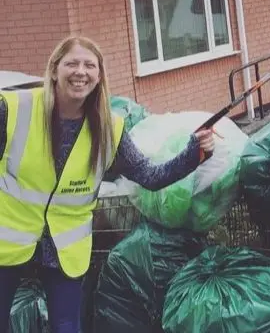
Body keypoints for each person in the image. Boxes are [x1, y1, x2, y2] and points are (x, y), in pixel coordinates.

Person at [0, 36, 217, 332]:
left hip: (65, 247)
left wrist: (196, 153)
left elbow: (150, 177)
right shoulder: (13, 109)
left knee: (67, 327)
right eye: (72, 63)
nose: (81, 71)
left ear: (99, 76)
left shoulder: (110, 128)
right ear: (54, 69)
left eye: (90, 65)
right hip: (8, 241)